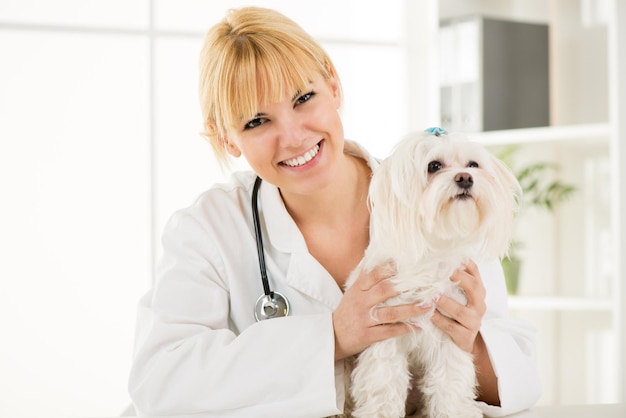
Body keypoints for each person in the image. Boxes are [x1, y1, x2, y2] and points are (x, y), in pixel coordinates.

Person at [128, 6, 541, 417]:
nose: (292, 137)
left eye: (304, 98)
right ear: (226, 138)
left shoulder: (437, 197)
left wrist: (468, 338)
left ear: (333, 83)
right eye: (257, 121)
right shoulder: (208, 229)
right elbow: (160, 380)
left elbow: (519, 375)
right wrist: (331, 336)